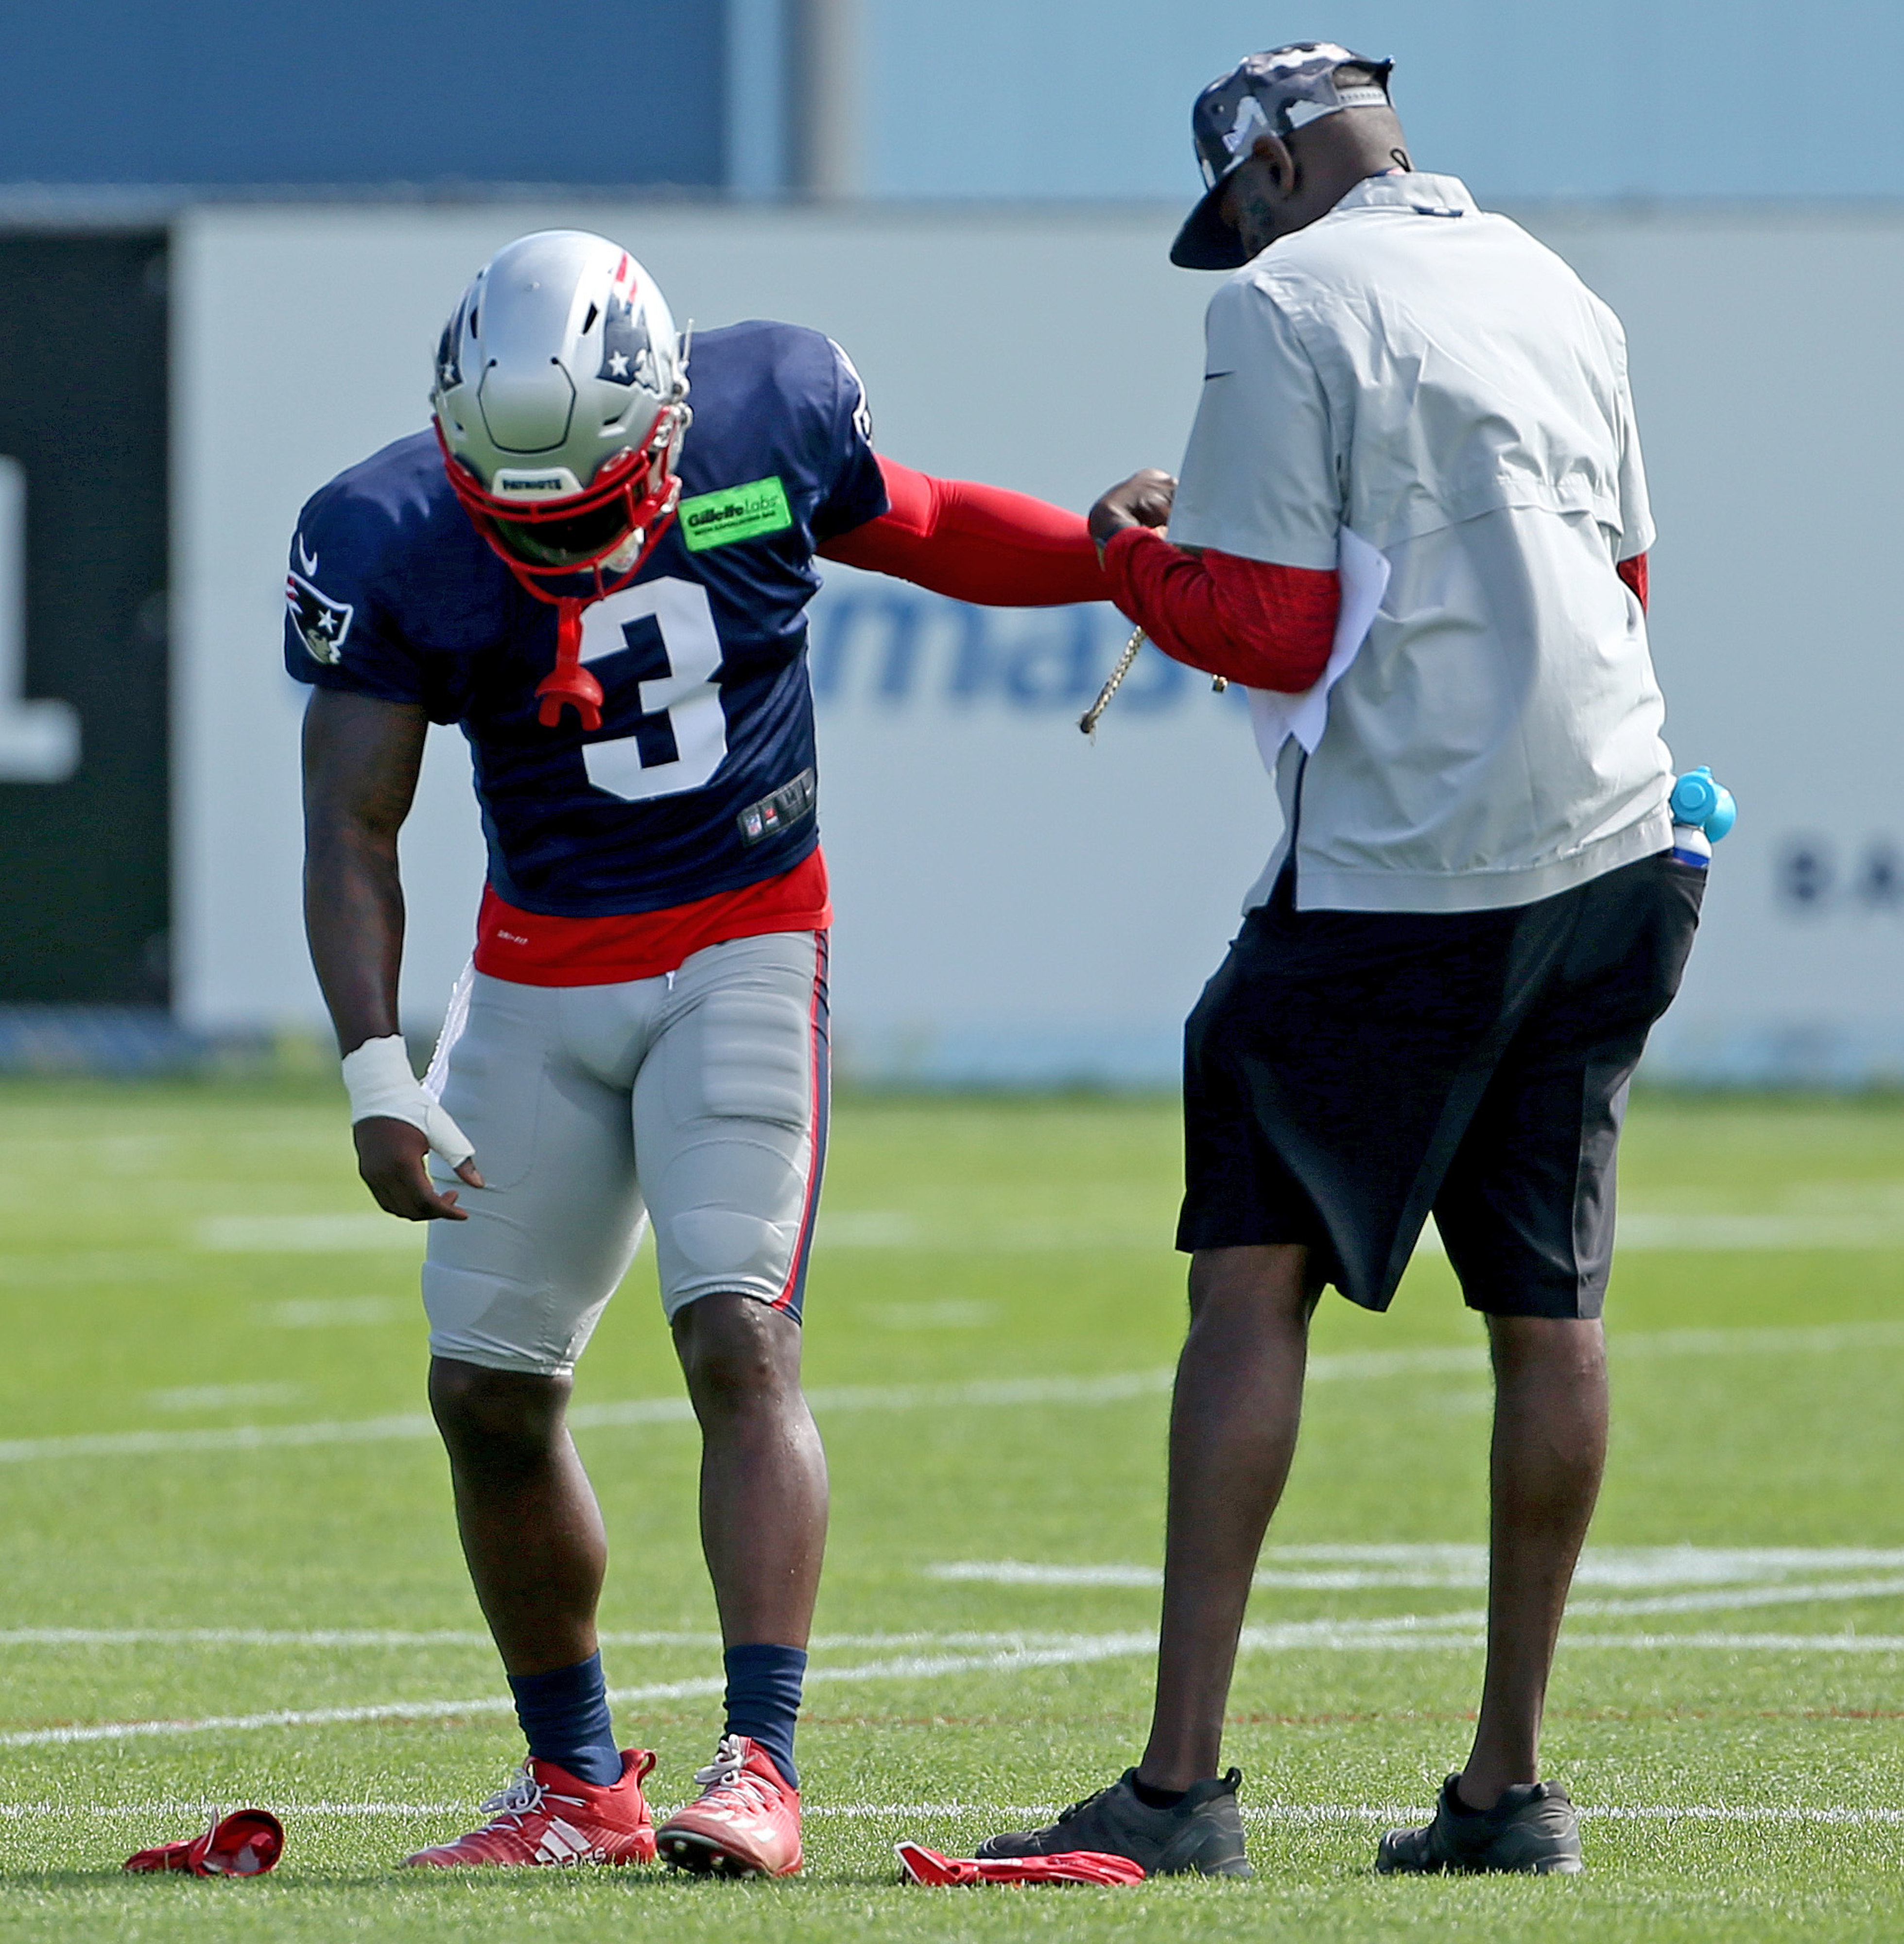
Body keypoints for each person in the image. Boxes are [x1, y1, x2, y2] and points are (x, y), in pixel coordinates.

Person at [291, 229, 1108, 1875]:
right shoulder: (384, 532)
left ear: (664, 417)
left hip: (745, 938)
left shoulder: (770, 408)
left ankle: (761, 1767)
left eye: (596, 497)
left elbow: (929, 523)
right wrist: (377, 1067)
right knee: (484, 1396)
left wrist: (1109, 559)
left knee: (740, 1337)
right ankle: (578, 1786)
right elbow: (353, 820)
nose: (565, 540)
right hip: (532, 976)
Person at [979, 44, 1699, 1879]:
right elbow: (1624, 588)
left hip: (1407, 871)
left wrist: (1122, 551)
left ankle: (1178, 1789)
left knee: (1251, 1286)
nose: (1236, 244)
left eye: (1235, 212)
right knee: (1551, 1314)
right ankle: (1507, 1794)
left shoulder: (1285, 304)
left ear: (1277, 175)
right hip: (1620, 843)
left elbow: (1274, 625)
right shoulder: (1555, 280)